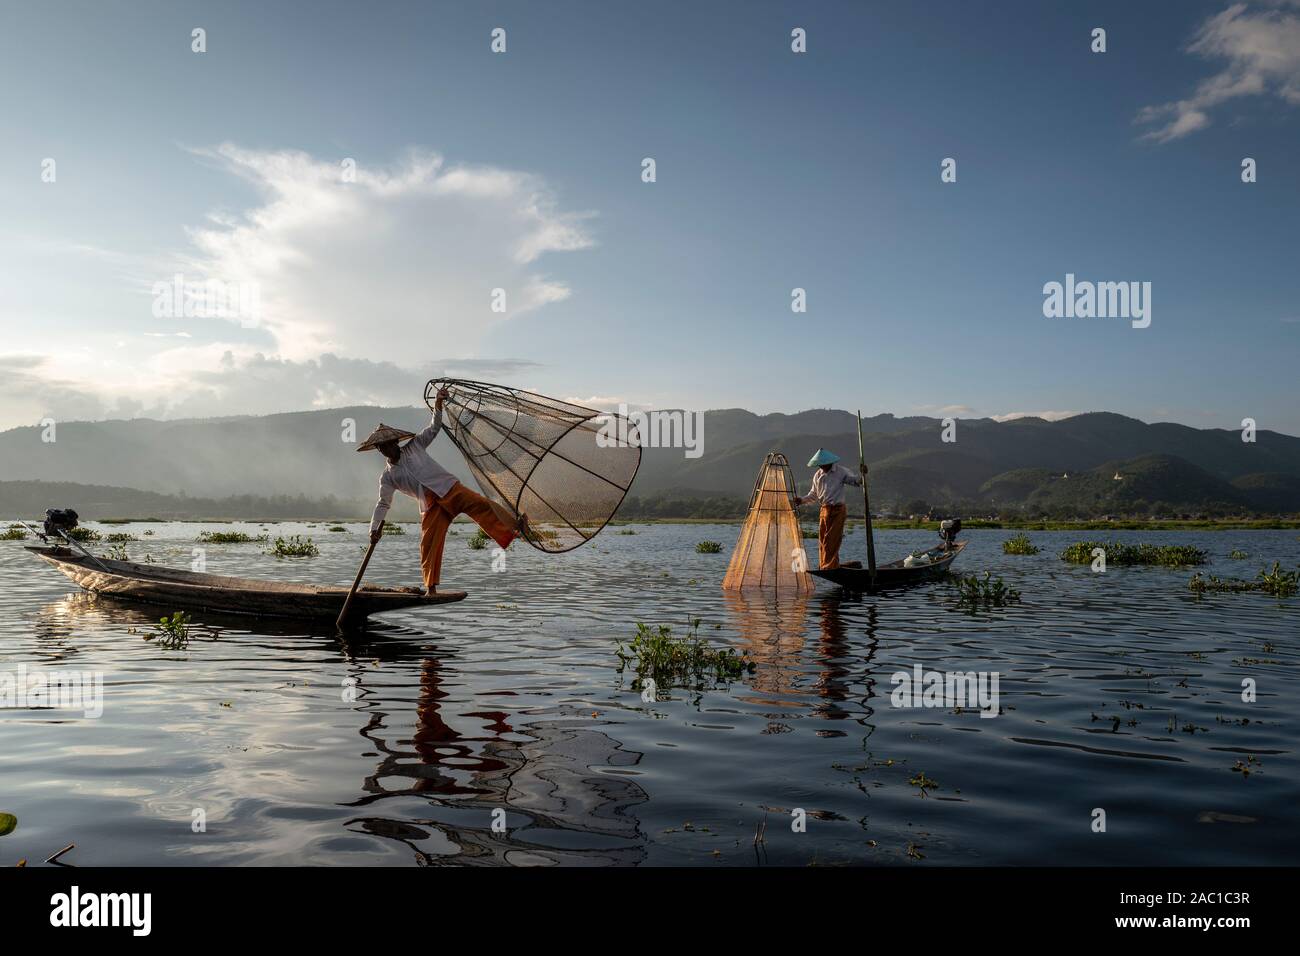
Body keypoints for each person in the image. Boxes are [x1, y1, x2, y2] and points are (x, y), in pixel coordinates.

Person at [358, 387, 526, 593]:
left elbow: (434, 428)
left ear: (396, 442)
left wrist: (438, 403)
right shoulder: (388, 476)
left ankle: (515, 529)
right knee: (428, 544)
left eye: (389, 444)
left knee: (483, 506)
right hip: (431, 505)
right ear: (379, 449)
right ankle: (431, 588)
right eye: (382, 446)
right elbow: (383, 503)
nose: (387, 448)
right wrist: (374, 529)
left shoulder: (415, 446)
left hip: (449, 488)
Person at [793, 448, 865, 570]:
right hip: (824, 510)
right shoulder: (818, 475)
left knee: (832, 539)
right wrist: (801, 500)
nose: (821, 466)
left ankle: (829, 566)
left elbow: (855, 481)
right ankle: (828, 565)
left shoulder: (841, 471)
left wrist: (863, 475)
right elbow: (814, 495)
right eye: (819, 464)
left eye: (823, 464)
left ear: (829, 462)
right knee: (822, 539)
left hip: (837, 509)